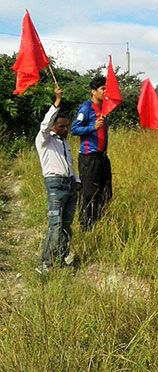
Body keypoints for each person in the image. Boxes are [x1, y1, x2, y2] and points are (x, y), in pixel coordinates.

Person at [35, 87, 79, 273]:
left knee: (66, 224)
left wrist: (76, 180)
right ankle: (46, 263)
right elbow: (44, 125)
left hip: (69, 184)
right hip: (55, 184)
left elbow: (69, 163)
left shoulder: (64, 143)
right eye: (61, 126)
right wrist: (56, 103)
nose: (65, 129)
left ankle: (61, 258)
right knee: (56, 224)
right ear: (54, 126)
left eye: (67, 126)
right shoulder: (45, 139)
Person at [71, 76, 112, 231]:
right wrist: (92, 127)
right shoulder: (86, 108)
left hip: (102, 157)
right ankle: (86, 226)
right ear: (93, 91)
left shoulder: (104, 108)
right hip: (89, 157)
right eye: (103, 89)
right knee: (89, 193)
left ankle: (99, 222)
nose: (105, 91)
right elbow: (74, 129)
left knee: (105, 191)